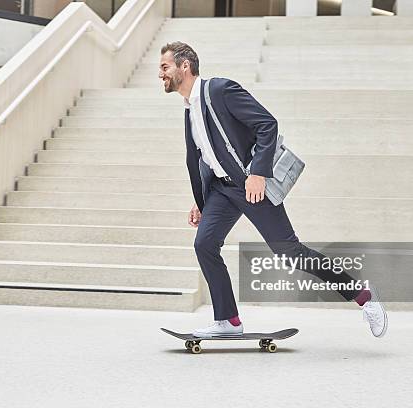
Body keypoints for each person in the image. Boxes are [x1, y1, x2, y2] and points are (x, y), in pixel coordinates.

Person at [158, 41, 388, 338]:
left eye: (165, 67)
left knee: (291, 253)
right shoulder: (189, 109)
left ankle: (363, 297)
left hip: (250, 186)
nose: (160, 74)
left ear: (184, 66)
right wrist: (200, 202)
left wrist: (258, 173)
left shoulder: (219, 90)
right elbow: (203, 158)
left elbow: (267, 124)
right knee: (204, 244)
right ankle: (228, 320)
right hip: (221, 190)